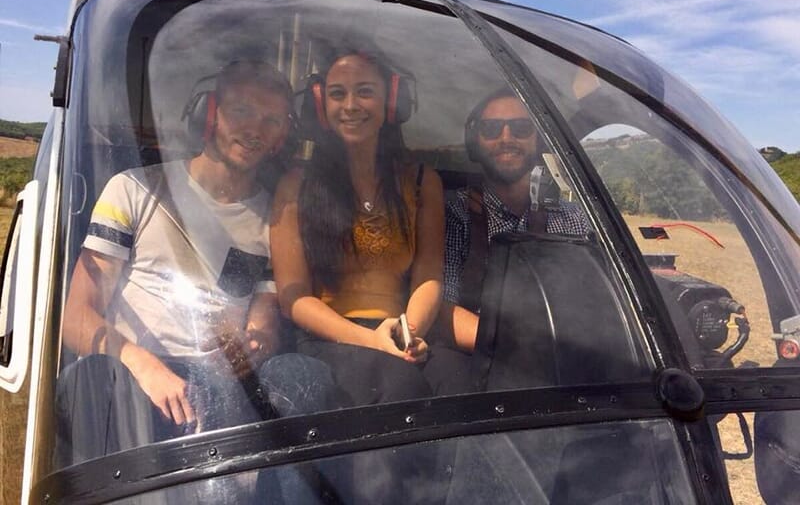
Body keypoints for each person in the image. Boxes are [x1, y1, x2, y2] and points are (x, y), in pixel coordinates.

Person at [57, 60, 334, 468]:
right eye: (241, 111)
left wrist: (255, 343)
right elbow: (76, 317)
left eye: (271, 120)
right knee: (90, 379)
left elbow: (265, 323)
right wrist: (143, 366)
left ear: (281, 137)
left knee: (303, 374)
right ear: (211, 113)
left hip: (220, 389)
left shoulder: (274, 220)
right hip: (130, 379)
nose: (255, 130)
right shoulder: (134, 189)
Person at [270, 49, 445, 406]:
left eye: (365, 91)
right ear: (321, 105)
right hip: (327, 339)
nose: (350, 105)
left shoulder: (422, 181)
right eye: (337, 94)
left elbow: (429, 274)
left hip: (401, 330)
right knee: (397, 386)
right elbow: (293, 298)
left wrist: (406, 335)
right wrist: (372, 342)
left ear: (391, 101)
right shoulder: (295, 185)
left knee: (459, 381)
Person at [437, 89, 591, 355]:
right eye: (491, 129)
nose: (506, 138)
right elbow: (441, 310)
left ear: (539, 140)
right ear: (475, 143)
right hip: (479, 364)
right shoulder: (452, 215)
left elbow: (594, 303)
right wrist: (519, 350)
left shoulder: (573, 219)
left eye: (521, 128)